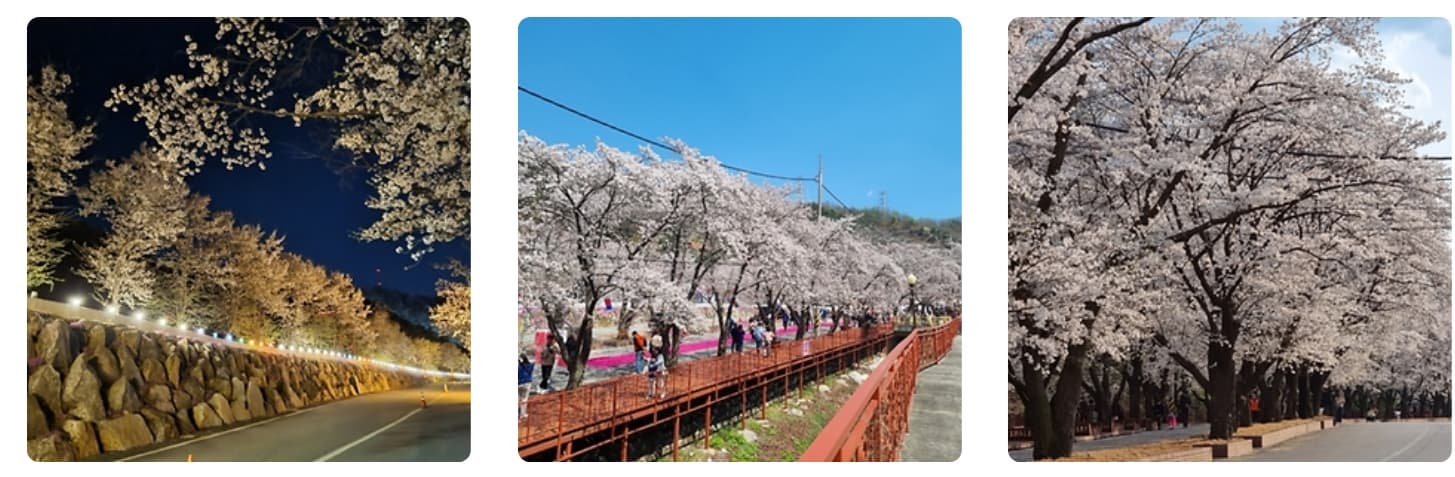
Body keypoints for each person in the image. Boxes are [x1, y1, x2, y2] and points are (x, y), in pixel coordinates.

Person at [517, 351, 533, 419]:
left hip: (518, 383)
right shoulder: (530, 365)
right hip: (527, 383)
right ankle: (522, 414)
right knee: (524, 399)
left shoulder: (518, 367)